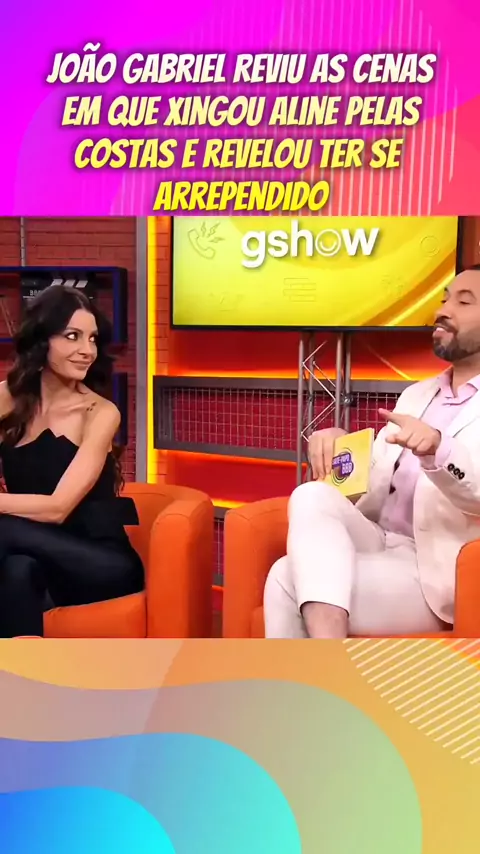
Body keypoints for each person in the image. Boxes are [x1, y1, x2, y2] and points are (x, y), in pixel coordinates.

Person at [264, 267, 480, 639]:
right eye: (445, 298)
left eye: (464, 302)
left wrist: (438, 449)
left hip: (434, 571)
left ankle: (321, 665)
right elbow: (374, 479)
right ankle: (329, 659)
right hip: (379, 538)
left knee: (285, 578)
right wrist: (341, 447)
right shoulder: (416, 394)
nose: (443, 310)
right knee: (310, 494)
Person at [0, 285, 144, 637]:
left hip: (98, 562)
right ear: (42, 341)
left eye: (92, 339)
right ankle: (24, 669)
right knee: (17, 571)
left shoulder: (100, 412)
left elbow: (58, 508)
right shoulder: (7, 399)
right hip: (33, 554)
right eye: (72, 336)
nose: (87, 350)